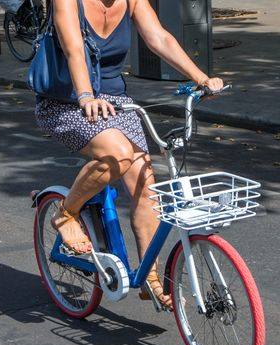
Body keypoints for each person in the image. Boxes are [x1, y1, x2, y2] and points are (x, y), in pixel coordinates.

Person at [35, 0, 223, 309]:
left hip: (115, 102)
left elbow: (159, 38)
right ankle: (66, 214)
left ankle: (149, 278)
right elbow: (73, 50)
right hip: (67, 100)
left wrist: (200, 77)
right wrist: (85, 96)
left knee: (147, 190)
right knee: (118, 155)